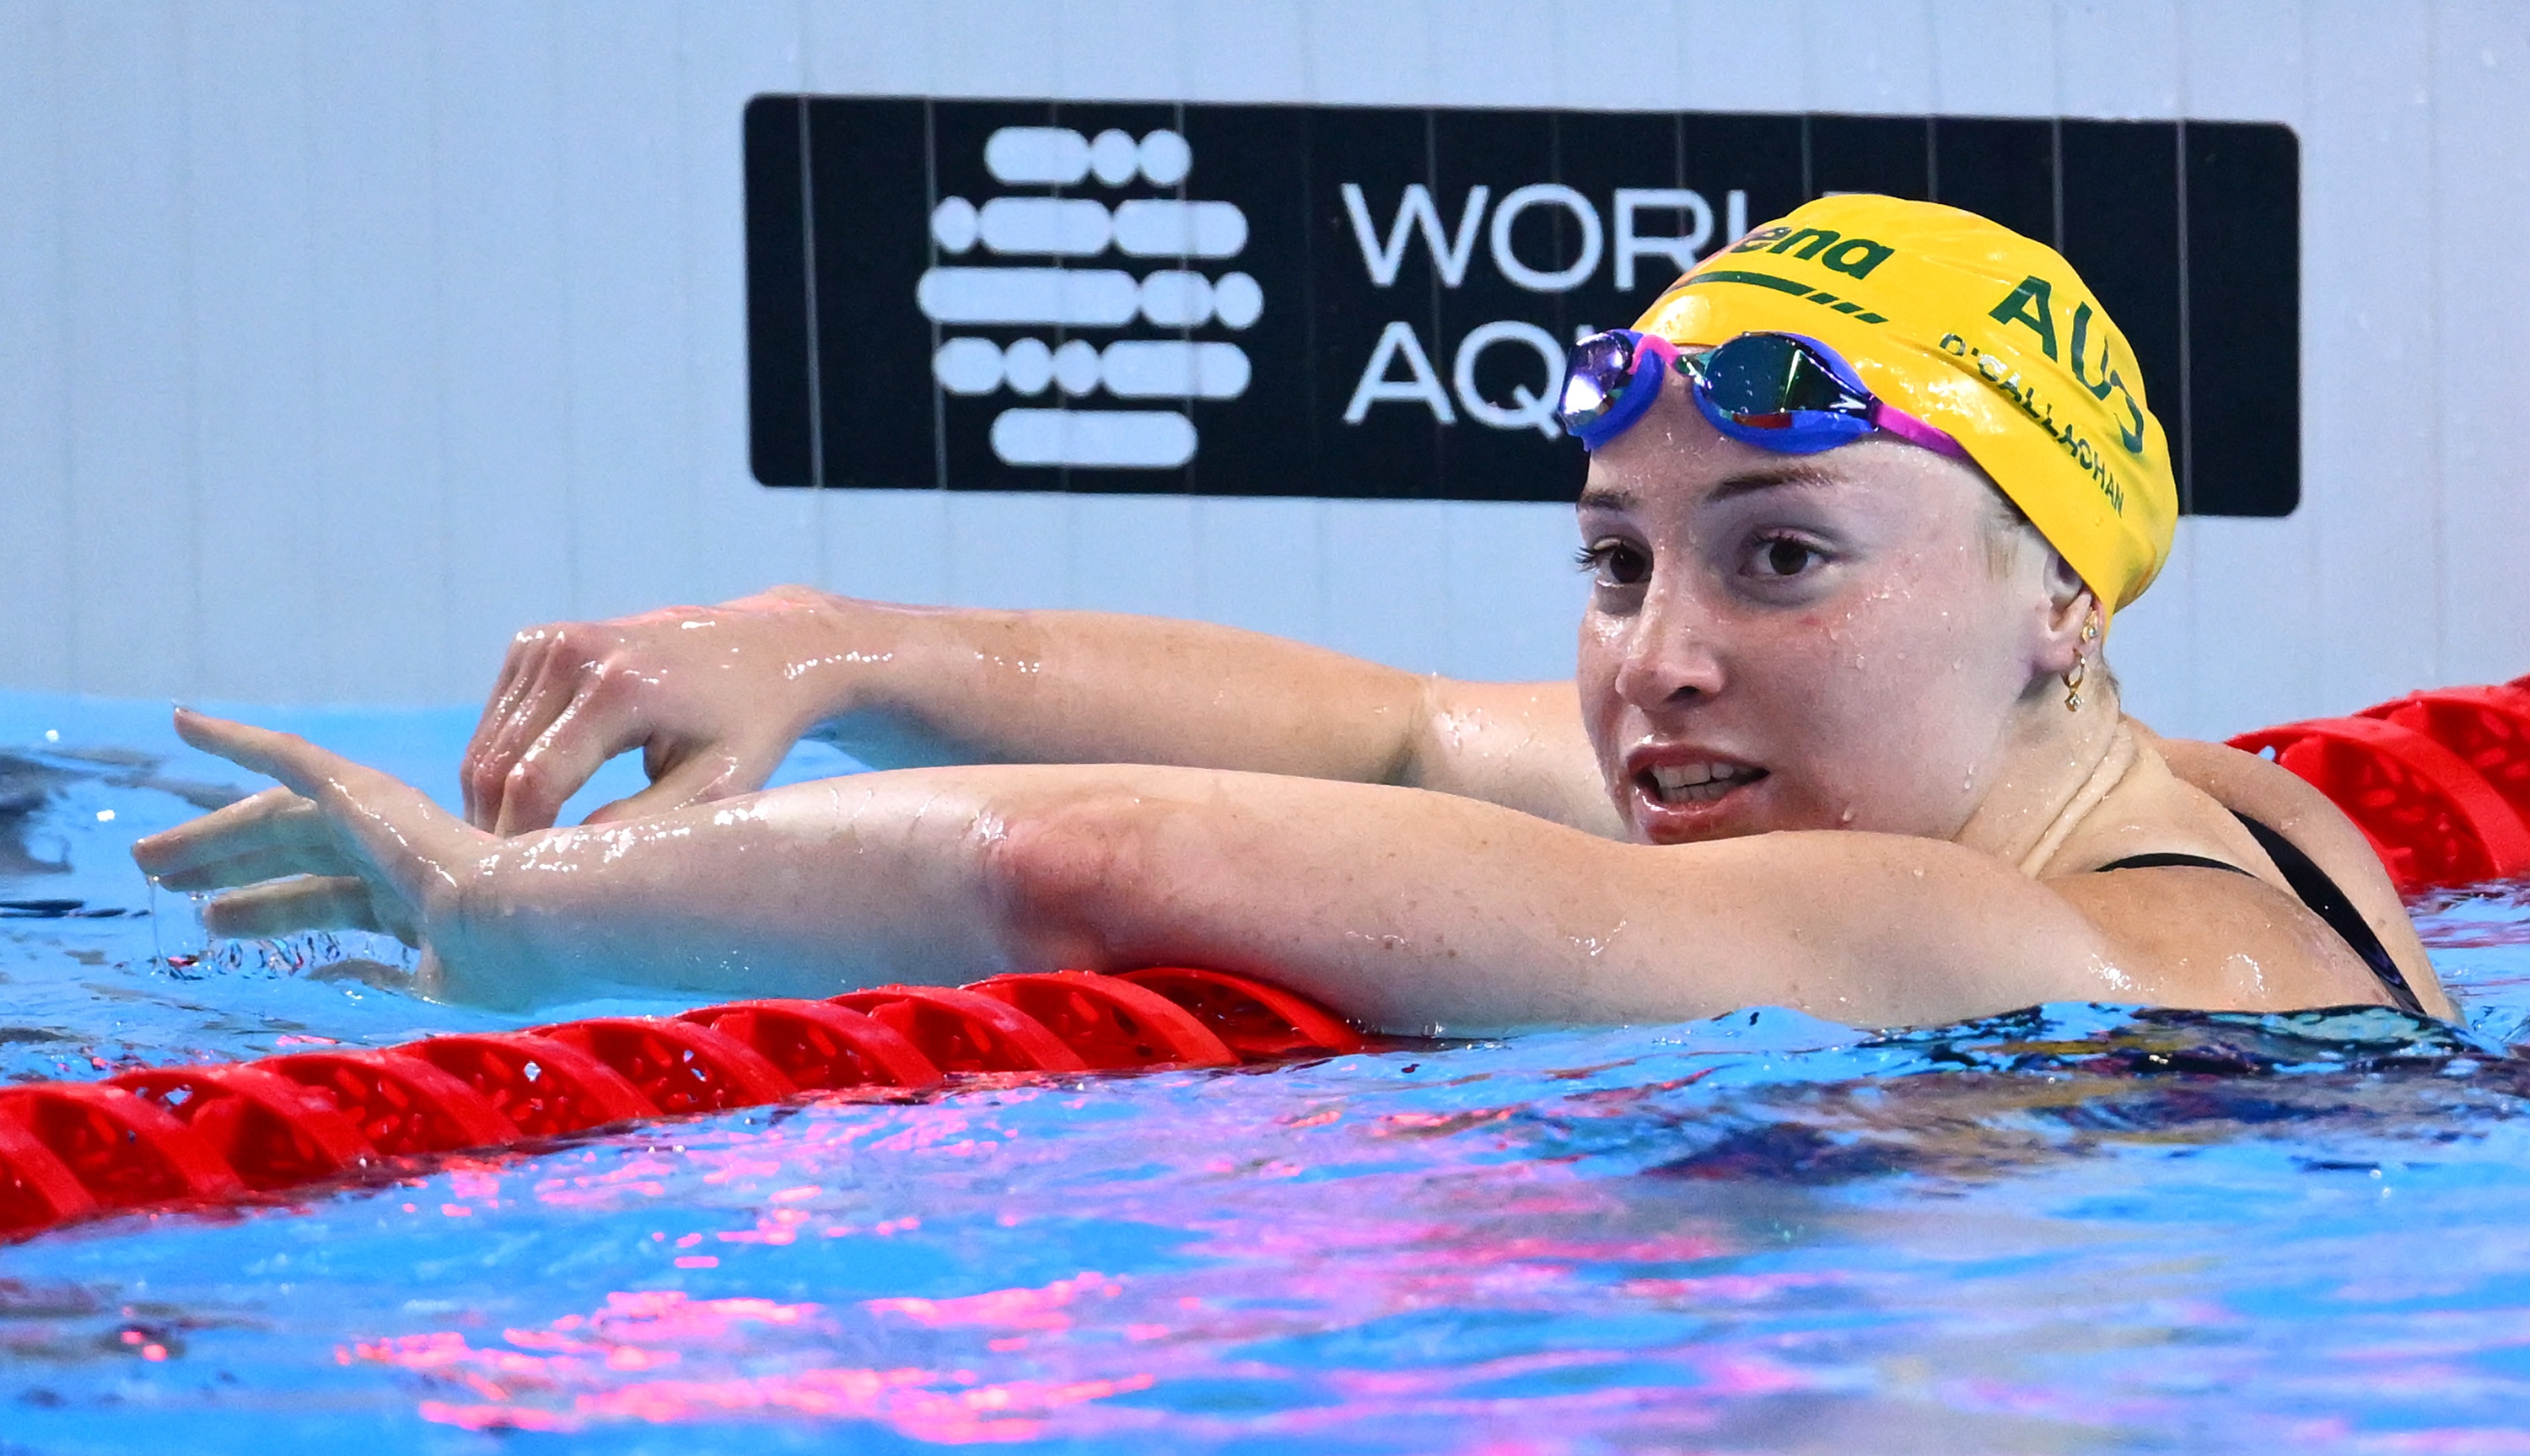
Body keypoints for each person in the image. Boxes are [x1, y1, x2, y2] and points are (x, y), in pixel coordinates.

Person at [132, 196, 2452, 1029]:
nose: (1660, 658)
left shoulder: (1988, 941)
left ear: (2060, 600)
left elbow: (1091, 862)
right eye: (1616, 561)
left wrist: (507, 912)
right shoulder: (2239, 824)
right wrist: (826, 643)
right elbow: (1400, 741)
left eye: (1784, 557)